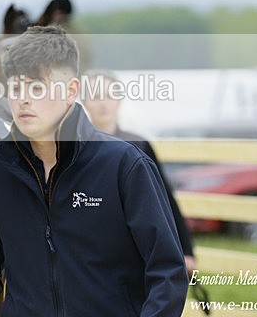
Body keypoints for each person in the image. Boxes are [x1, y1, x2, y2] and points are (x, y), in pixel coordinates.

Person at [0, 26, 187, 317]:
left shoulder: (124, 166)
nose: (23, 98)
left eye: (37, 87)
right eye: (15, 87)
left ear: (71, 90)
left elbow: (168, 274)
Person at [81, 69, 197, 276]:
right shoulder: (76, 148)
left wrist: (186, 250)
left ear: (120, 100)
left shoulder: (139, 145)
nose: (103, 103)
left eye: (110, 95)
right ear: (84, 101)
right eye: (95, 96)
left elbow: (165, 199)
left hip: (134, 246)